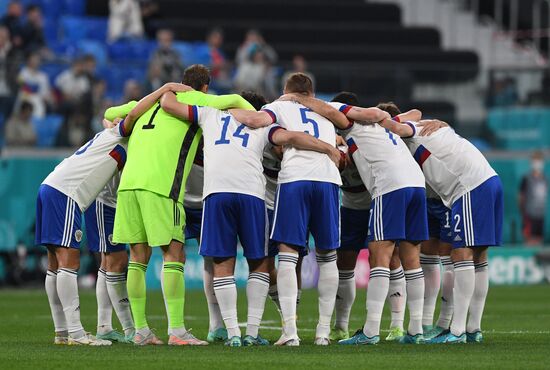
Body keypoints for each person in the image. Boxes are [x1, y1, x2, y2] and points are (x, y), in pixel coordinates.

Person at [159, 90, 341, 347]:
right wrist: (328, 147)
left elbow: (168, 103)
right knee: (260, 263)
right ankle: (252, 333)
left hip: (217, 194)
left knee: (222, 262)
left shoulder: (210, 115)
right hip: (252, 196)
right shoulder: (264, 125)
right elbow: (292, 137)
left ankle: (233, 333)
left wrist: (194, 94)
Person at [111, 64, 260, 346]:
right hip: (161, 186)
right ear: (205, 87)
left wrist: (163, 89)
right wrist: (257, 115)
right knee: (174, 255)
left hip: (128, 184)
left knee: (137, 258)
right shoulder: (196, 99)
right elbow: (235, 101)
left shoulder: (147, 103)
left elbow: (110, 114)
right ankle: (177, 331)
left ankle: (140, 330)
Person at [35, 84, 188, 345]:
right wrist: (164, 89)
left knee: (55, 264)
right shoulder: (122, 135)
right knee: (69, 262)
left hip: (52, 186)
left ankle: (64, 332)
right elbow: (128, 117)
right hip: (69, 192)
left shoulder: (114, 135)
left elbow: (113, 118)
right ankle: (76, 333)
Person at [284, 91, 428, 345]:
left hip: (389, 187)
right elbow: (414, 114)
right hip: (414, 184)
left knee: (381, 257)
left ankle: (374, 331)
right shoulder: (379, 129)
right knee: (409, 257)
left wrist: (299, 99)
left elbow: (331, 111)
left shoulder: (352, 124)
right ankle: (415, 329)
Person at [378, 103, 503, 343]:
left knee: (462, 255)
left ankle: (456, 332)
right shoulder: (428, 127)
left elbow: (400, 125)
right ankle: (472, 328)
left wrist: (370, 122)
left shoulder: (410, 132)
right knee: (478, 257)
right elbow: (415, 113)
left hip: (469, 186)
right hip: (488, 179)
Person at [259, 73, 351, 346]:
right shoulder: (328, 109)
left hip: (295, 178)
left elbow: (262, 128)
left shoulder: (277, 106)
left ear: (286, 91)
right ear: (311, 91)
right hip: (327, 180)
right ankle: (323, 333)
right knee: (328, 256)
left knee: (287, 254)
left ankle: (290, 332)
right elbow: (347, 123)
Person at [519, 151, 547, 245]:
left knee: (539, 239)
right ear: (531, 162)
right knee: (529, 240)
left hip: (540, 215)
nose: (538, 163)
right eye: (535, 160)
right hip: (529, 215)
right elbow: (520, 197)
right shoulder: (526, 178)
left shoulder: (544, 179)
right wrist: (524, 212)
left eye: (539, 160)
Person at [16, 52, 52, 118]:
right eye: (33, 59)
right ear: (28, 61)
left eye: (37, 60)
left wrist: (44, 97)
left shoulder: (43, 76)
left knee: (39, 107)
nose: (35, 61)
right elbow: (20, 85)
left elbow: (44, 91)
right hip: (25, 96)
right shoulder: (23, 72)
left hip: (37, 98)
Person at [0, 25, 22, 123]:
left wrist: (5, 52)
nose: (1, 39)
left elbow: (14, 70)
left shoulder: (14, 52)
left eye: (3, 37)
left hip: (8, 85)